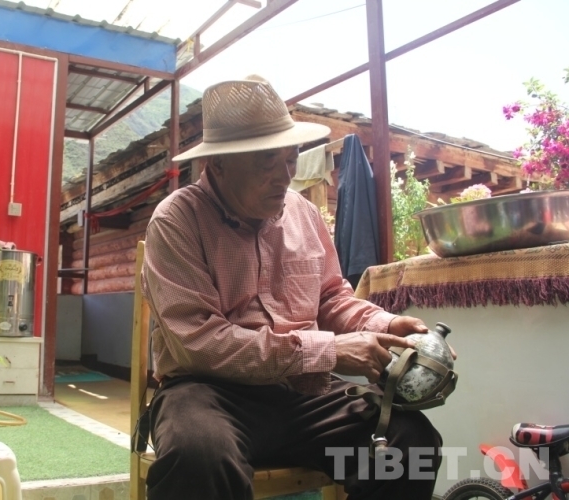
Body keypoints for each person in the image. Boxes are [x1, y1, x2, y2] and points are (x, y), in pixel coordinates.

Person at [141, 76, 442, 500]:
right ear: (219, 164)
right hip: (208, 392)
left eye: (291, 158)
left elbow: (331, 298)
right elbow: (200, 344)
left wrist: (387, 326)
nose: (285, 177)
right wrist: (328, 350)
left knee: (410, 442)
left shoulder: (303, 212)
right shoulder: (177, 220)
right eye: (267, 161)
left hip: (304, 397)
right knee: (197, 456)